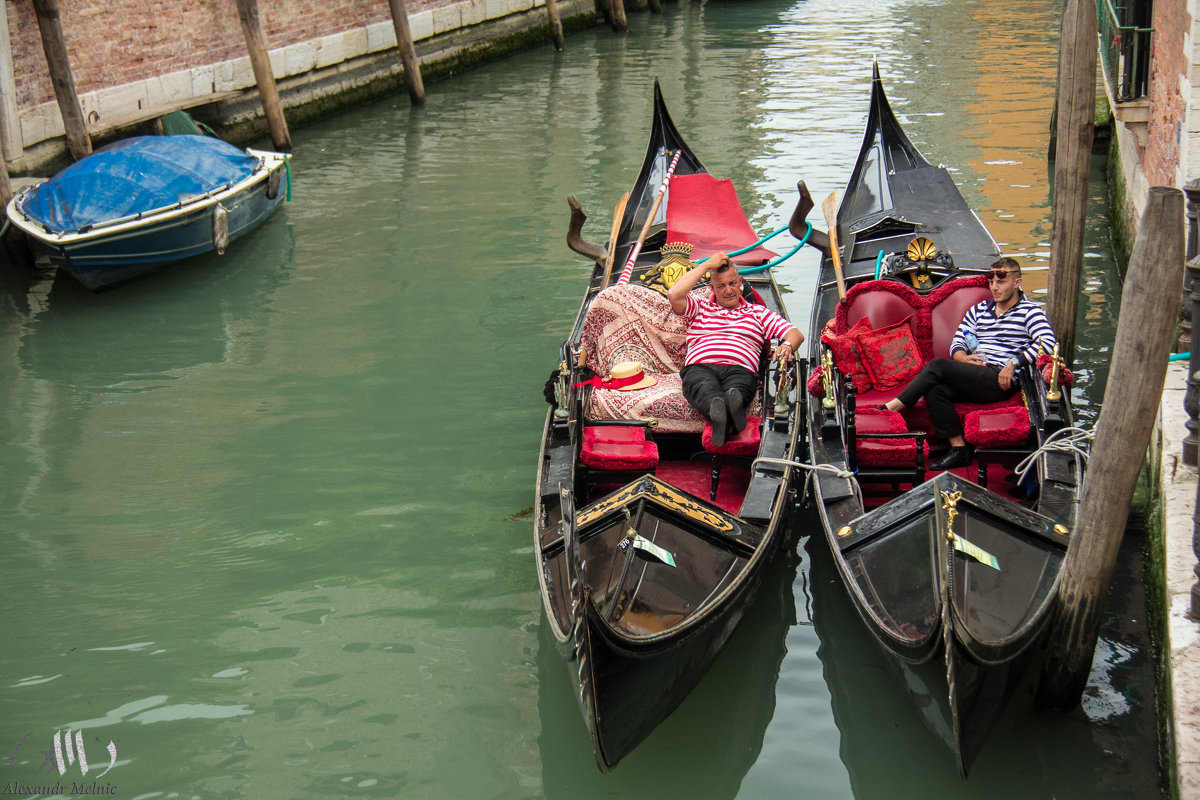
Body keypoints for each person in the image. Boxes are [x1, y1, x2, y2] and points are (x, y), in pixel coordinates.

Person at [880, 256, 1057, 470]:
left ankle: (893, 407)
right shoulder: (979, 309)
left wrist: (1013, 364)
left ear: (1017, 283)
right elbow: (958, 340)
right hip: (976, 376)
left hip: (1000, 379)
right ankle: (958, 449)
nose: (994, 287)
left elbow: (1047, 342)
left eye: (1001, 282)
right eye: (991, 282)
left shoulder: (1030, 312)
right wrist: (962, 356)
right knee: (935, 389)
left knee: (937, 366)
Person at [667, 252, 803, 447]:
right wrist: (706, 265)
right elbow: (674, 294)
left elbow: (795, 334)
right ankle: (727, 415)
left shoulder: (758, 313)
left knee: (736, 390)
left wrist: (787, 345)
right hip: (701, 366)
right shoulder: (700, 307)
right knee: (705, 388)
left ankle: (727, 413)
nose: (729, 291)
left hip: (741, 368)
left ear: (740, 282)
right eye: (721, 286)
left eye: (732, 283)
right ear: (712, 287)